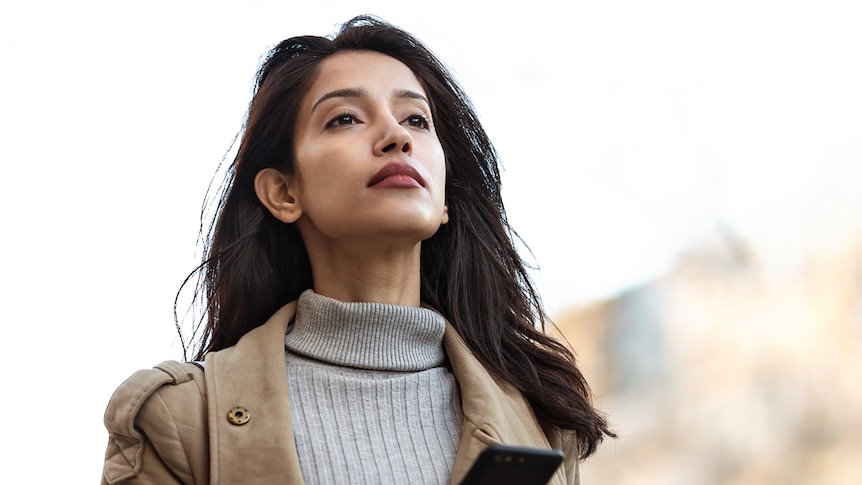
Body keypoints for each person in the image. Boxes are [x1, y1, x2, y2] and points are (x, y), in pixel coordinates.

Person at [101, 15, 613, 485]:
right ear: (284, 192)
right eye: (345, 118)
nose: (395, 136)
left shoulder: (539, 424)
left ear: (444, 203)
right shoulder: (182, 418)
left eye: (416, 120)